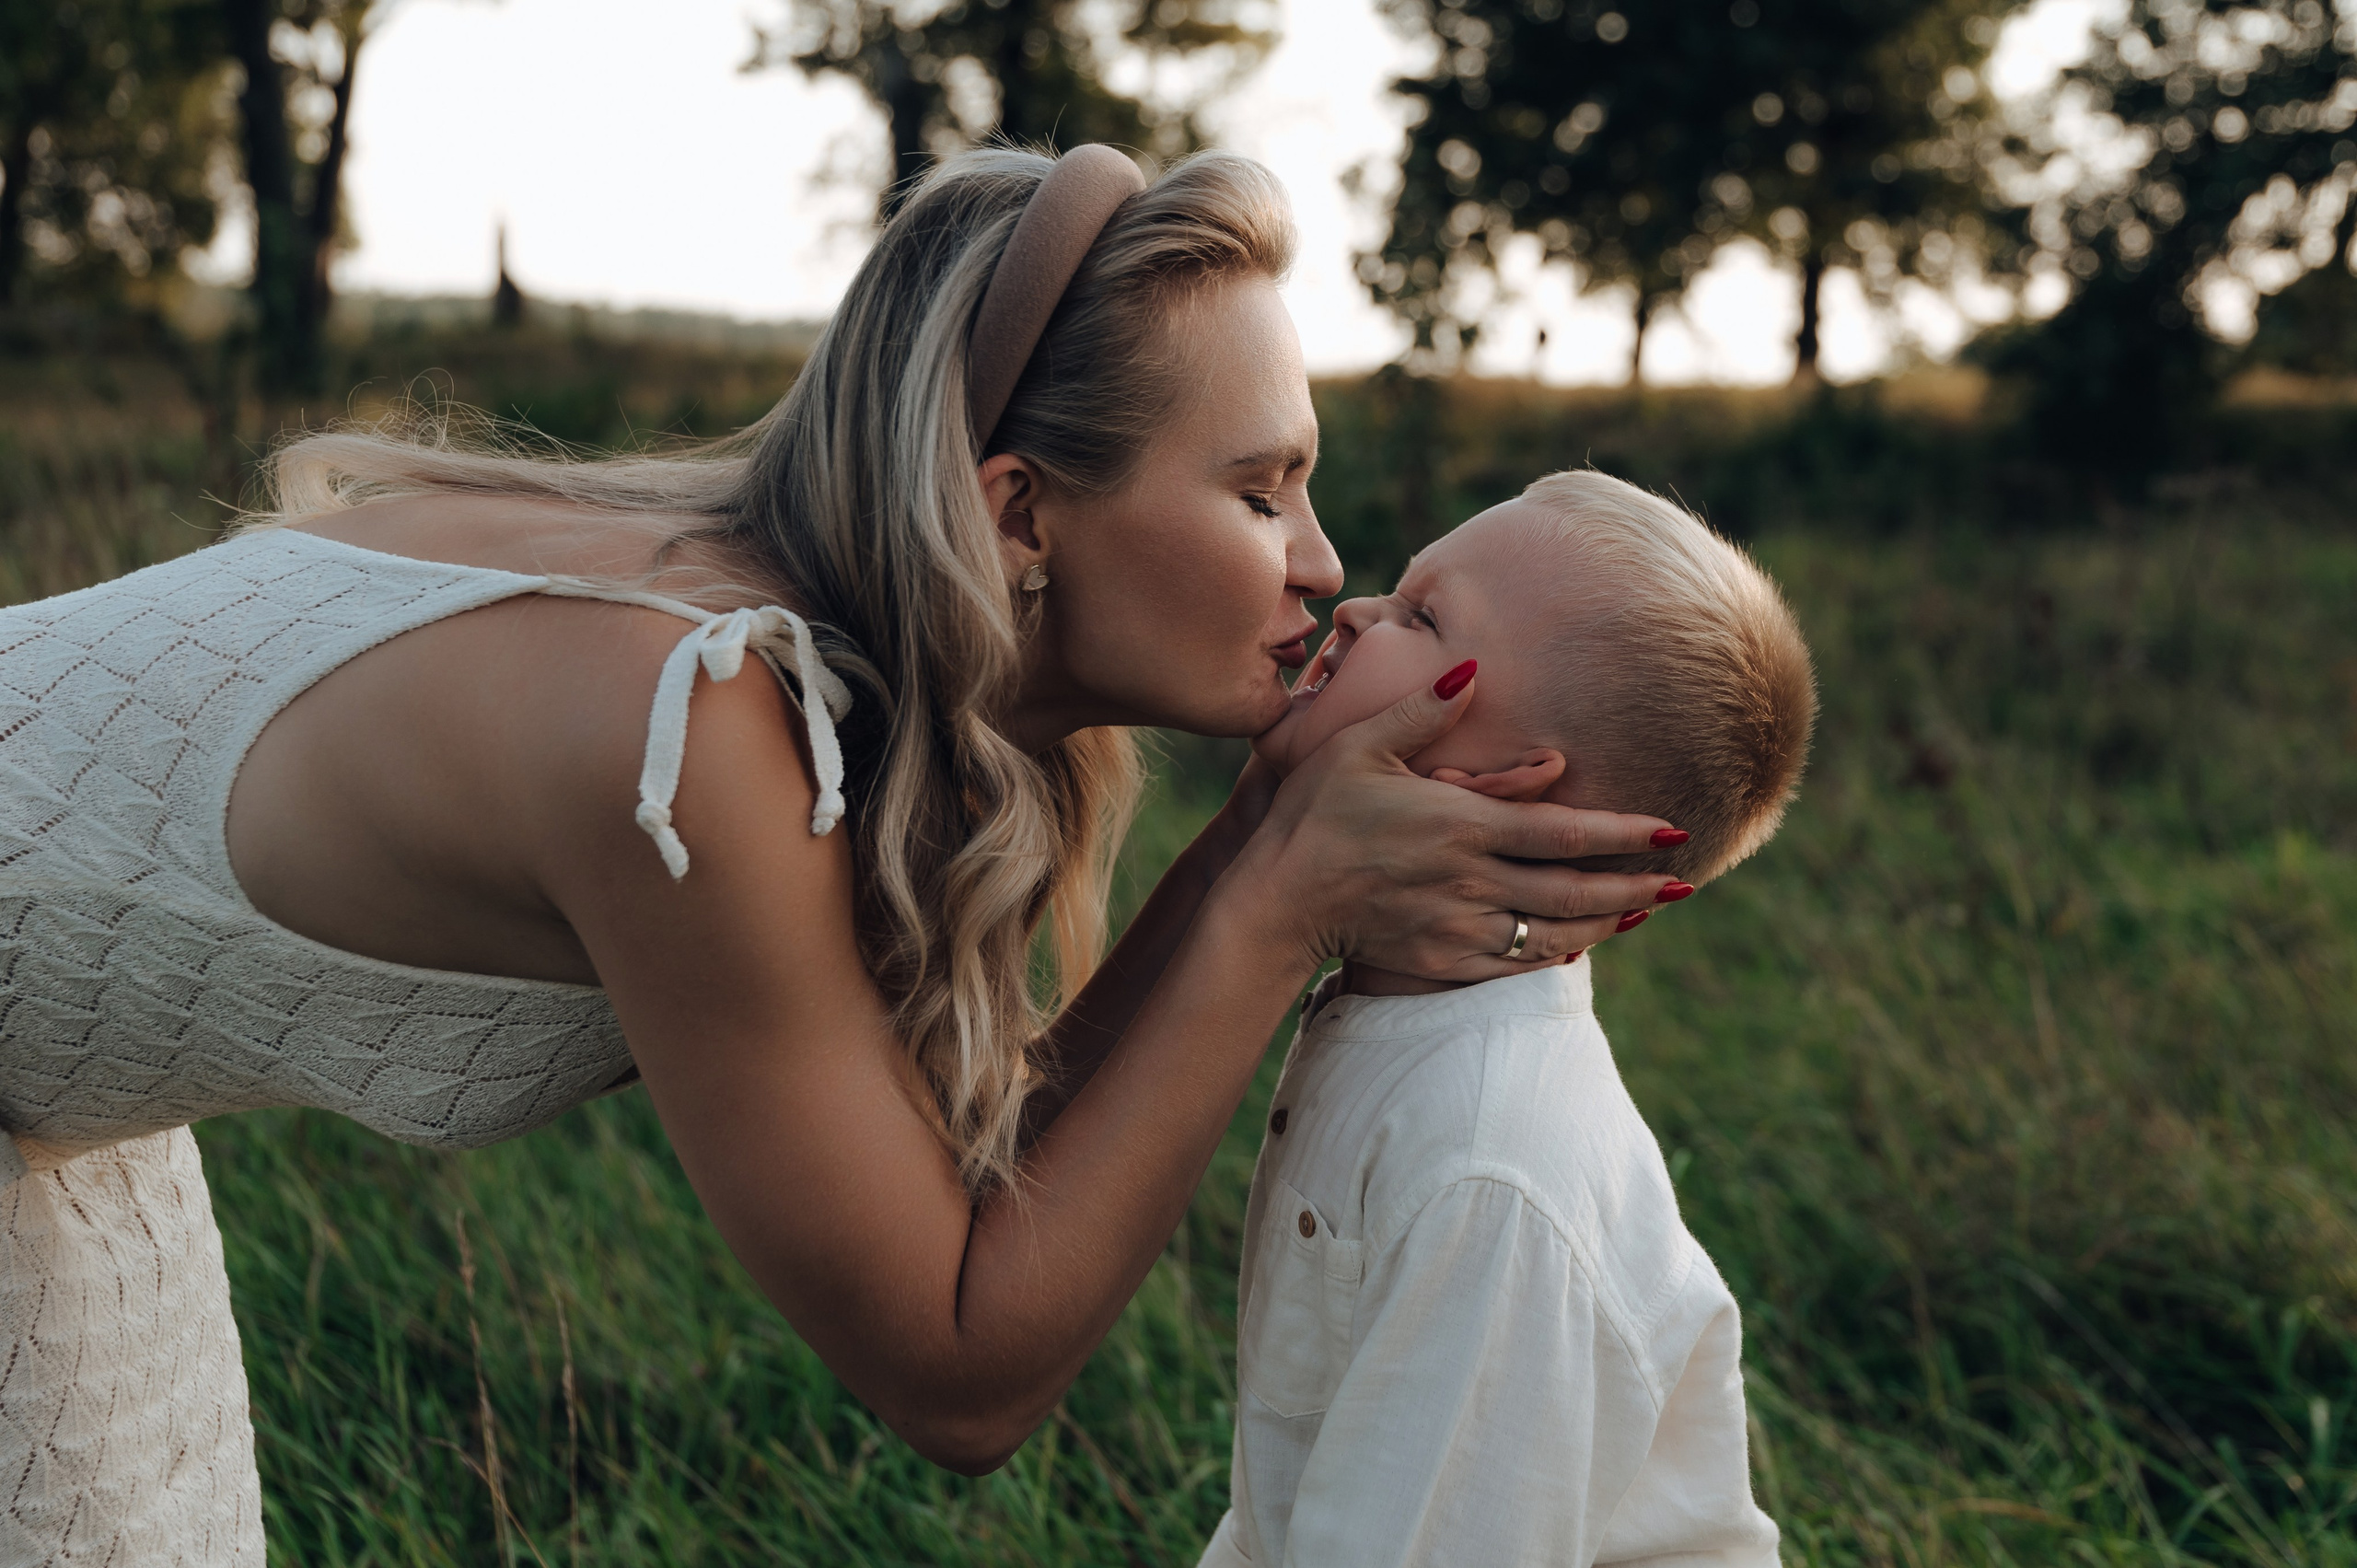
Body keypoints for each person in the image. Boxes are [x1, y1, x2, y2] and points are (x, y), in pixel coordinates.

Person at [0, 147, 1694, 1560]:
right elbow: (957, 1369)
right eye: (1261, 492)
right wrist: (1276, 902)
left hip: (60, 1124)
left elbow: (983, 1173)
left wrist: (1264, 829)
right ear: (1020, 515)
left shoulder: (792, 644)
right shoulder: (694, 719)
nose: (1324, 565)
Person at [1198, 470, 1815, 1567]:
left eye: (1422, 616)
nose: (1356, 608)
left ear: (1511, 783)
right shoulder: (1399, 1025)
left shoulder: (1488, 1170)